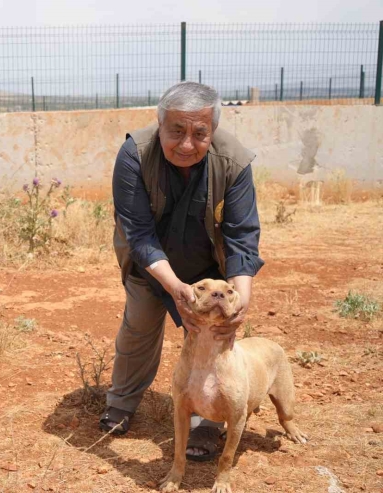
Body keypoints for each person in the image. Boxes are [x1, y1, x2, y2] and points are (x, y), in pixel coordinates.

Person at [101, 82, 264, 462]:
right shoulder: (134, 154)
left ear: (213, 132)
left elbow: (242, 236)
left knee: (220, 334)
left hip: (211, 267)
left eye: (199, 133)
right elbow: (137, 232)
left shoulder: (234, 160)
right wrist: (175, 286)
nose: (187, 144)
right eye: (176, 130)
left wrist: (241, 299)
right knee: (139, 325)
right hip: (151, 262)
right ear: (160, 125)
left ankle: (209, 423)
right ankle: (121, 404)